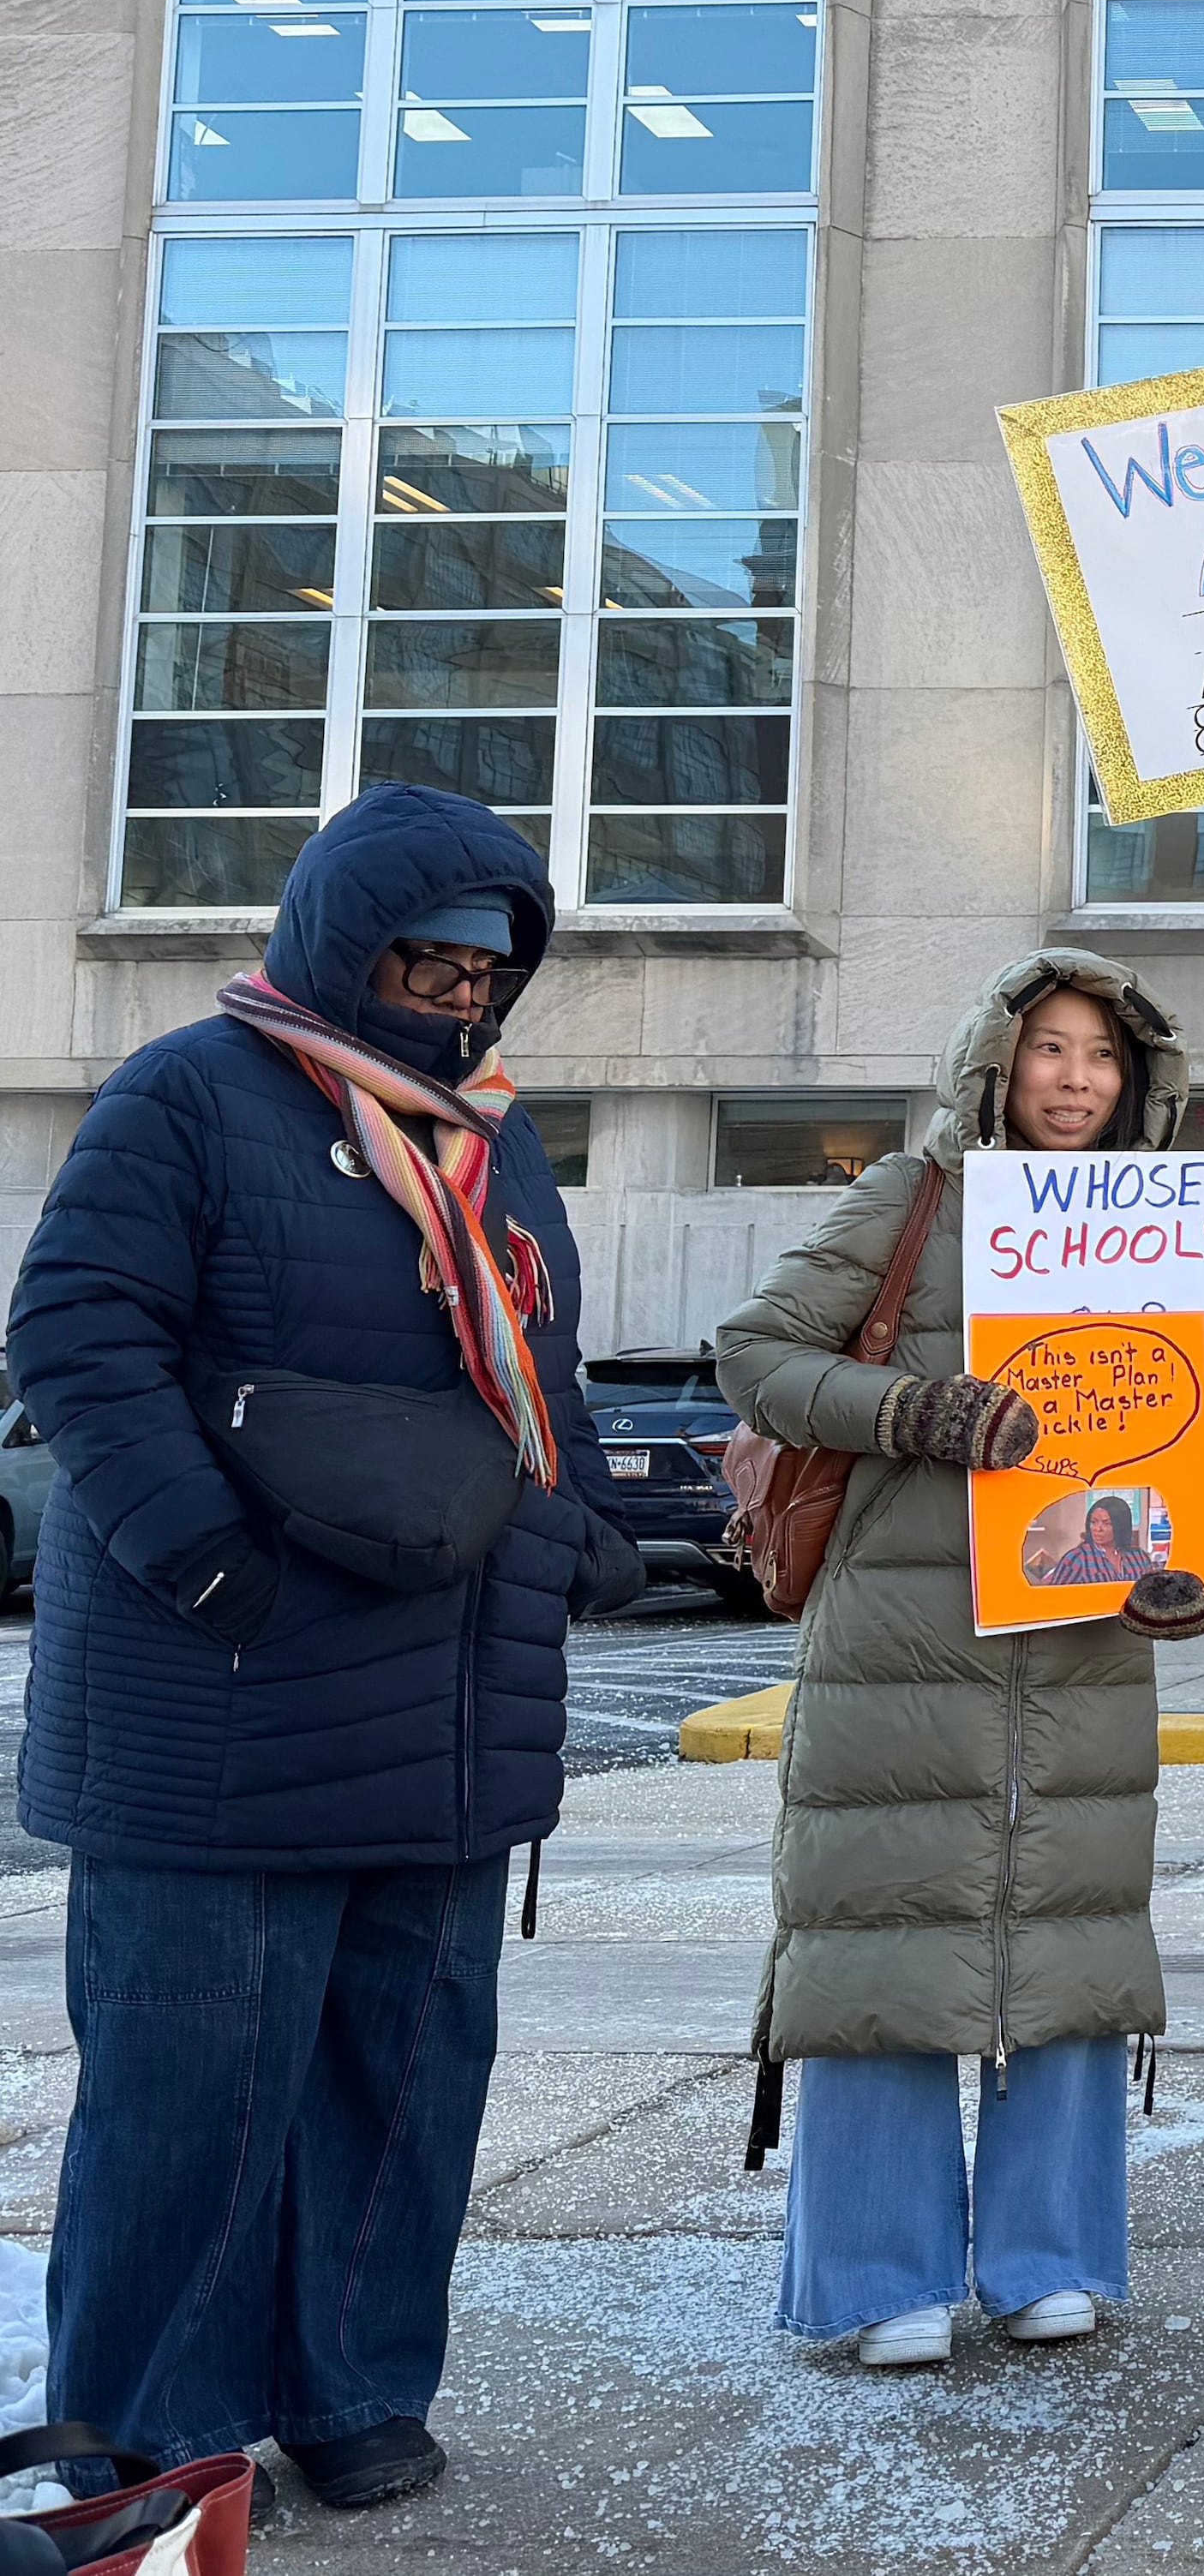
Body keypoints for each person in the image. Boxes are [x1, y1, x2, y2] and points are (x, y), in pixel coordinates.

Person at [4, 786, 634, 2516]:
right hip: (230, 1695)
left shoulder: (487, 1138)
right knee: (193, 2101)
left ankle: (355, 2387)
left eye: (487, 965)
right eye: (424, 952)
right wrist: (200, 1557)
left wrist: (581, 1529)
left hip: (448, 1700)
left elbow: (536, 1370)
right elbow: (73, 1333)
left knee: (403, 2086)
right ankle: (157, 2441)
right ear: (339, 936)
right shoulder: (192, 1093)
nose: (454, 988)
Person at [716, 952, 1204, 2372]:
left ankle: (1048, 2259)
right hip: (903, 1639)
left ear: (1138, 1080)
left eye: (1104, 1056)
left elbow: (1182, 1435)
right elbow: (755, 1353)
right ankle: (878, 2273)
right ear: (993, 1060)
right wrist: (912, 1409)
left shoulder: (1160, 1224)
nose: (1076, 1077)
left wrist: (1179, 1576)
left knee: (1067, 1940)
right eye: (1049, 1048)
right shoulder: (915, 1198)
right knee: (884, 1939)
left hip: (1074, 1649)